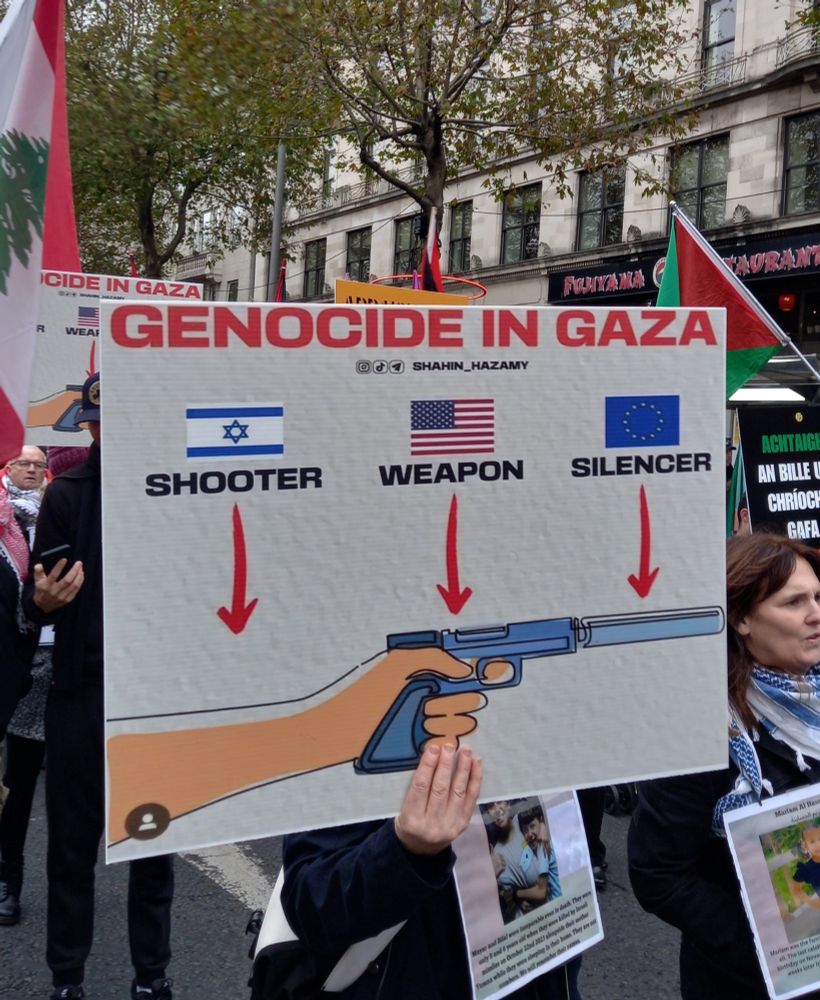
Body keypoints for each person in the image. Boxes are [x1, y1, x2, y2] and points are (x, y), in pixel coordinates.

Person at [23, 374, 175, 1000]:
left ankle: (152, 977)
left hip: (156, 697)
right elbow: (38, 597)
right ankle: (68, 978)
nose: (109, 430)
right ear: (87, 427)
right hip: (82, 691)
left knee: (155, 841)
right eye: (98, 422)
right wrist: (43, 601)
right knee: (71, 846)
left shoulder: (174, 485)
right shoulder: (69, 494)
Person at [628, 532, 820, 1000]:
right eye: (794, 602)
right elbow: (658, 874)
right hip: (753, 982)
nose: (815, 613)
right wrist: (762, 943)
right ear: (741, 618)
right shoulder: (700, 727)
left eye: (818, 597)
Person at [0, 445, 51, 926]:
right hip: (19, 662)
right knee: (17, 780)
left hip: (69, 659)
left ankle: (70, 884)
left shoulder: (61, 509)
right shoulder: (4, 520)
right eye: (24, 463)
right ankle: (7, 879)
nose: (32, 470)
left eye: (39, 464)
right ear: (8, 469)